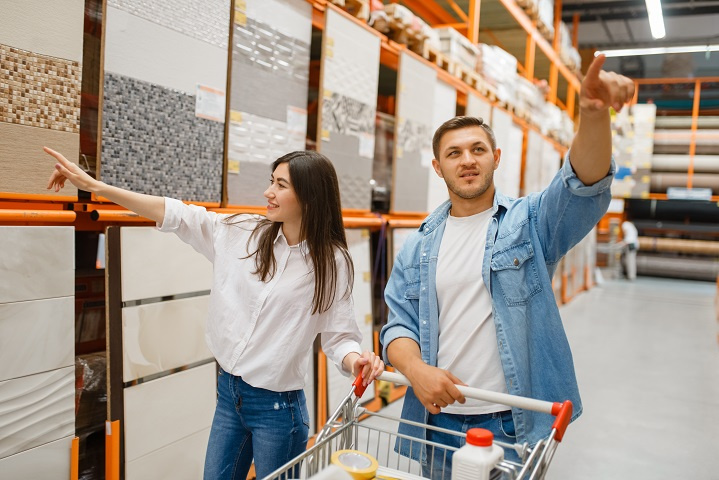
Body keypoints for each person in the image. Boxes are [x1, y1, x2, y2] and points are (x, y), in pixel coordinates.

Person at [46, 148, 385, 479]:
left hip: (279, 411)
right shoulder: (243, 233)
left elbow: (339, 336)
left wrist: (354, 360)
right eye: (272, 181)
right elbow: (176, 213)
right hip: (229, 396)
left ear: (309, 197)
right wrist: (98, 188)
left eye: (281, 185)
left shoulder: (332, 263)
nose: (268, 192)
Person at [380, 54, 634, 478]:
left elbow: (582, 185)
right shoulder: (418, 244)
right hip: (437, 422)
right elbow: (398, 326)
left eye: (478, 149)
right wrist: (415, 369)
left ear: (496, 157)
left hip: (507, 424)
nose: (467, 160)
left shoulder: (529, 222)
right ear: (437, 166)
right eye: (454, 153)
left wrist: (593, 116)